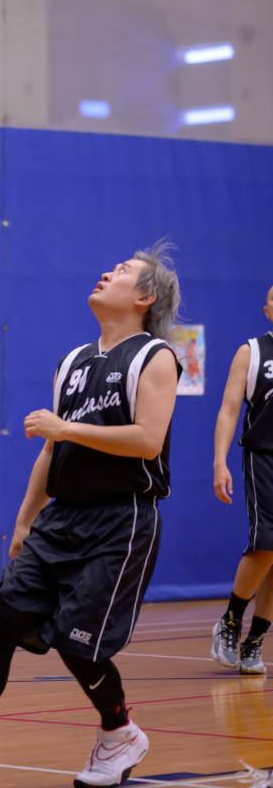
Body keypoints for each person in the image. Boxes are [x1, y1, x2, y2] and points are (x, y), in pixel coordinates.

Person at [0, 245, 181, 788]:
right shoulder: (73, 362)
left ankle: (120, 732)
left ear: (145, 298)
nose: (106, 272)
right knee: (1, 620)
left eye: (122, 271)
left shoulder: (155, 356)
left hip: (121, 520)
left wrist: (67, 429)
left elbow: (148, 440)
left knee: (76, 641)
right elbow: (52, 452)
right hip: (61, 519)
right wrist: (25, 519)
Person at [211, 284, 273, 676]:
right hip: (264, 456)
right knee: (266, 544)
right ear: (267, 310)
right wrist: (220, 461)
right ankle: (231, 620)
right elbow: (229, 410)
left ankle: (255, 640)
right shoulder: (252, 352)